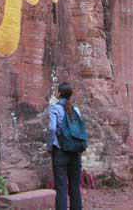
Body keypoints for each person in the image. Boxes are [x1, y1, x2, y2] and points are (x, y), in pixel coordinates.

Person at [47, 82, 83, 210]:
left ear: (59, 93)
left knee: (61, 185)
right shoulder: (76, 110)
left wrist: (49, 146)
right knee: (75, 185)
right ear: (70, 95)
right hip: (75, 151)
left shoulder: (54, 108)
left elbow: (52, 129)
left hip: (60, 151)